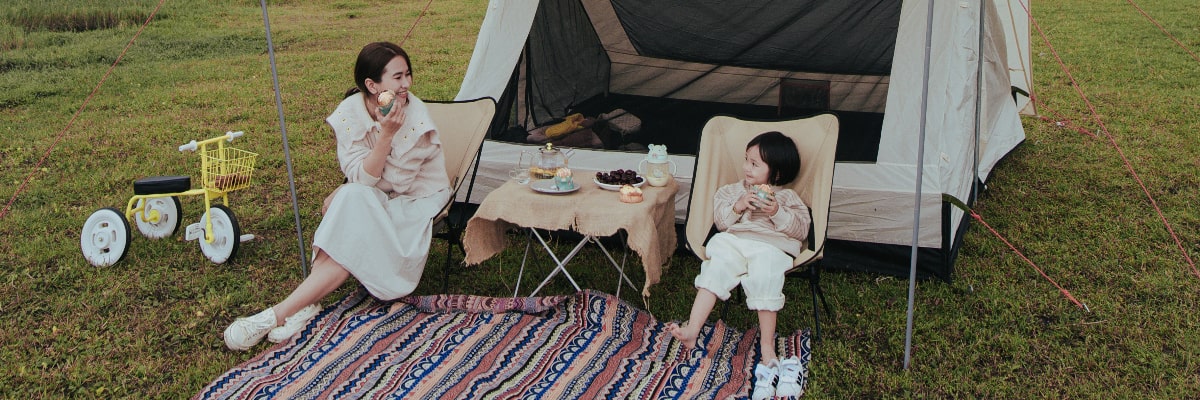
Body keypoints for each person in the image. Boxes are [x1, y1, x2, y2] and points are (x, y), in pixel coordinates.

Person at [222, 42, 450, 351]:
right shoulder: (349, 114)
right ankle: (300, 305)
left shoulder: (416, 120)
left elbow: (396, 182)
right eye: (398, 77)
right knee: (352, 202)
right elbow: (361, 177)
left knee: (350, 204)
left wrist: (381, 143)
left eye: (408, 74)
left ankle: (275, 315)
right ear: (372, 85)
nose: (407, 84)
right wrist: (374, 151)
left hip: (414, 202)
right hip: (376, 196)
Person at [665, 131, 809, 400]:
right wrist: (739, 205)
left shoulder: (788, 198)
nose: (746, 167)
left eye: (755, 164)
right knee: (717, 263)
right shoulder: (731, 191)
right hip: (735, 242)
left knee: (766, 272)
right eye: (746, 160)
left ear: (776, 174)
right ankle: (692, 330)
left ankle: (767, 347)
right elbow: (721, 222)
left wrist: (776, 212)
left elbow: (801, 230)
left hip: (771, 246)